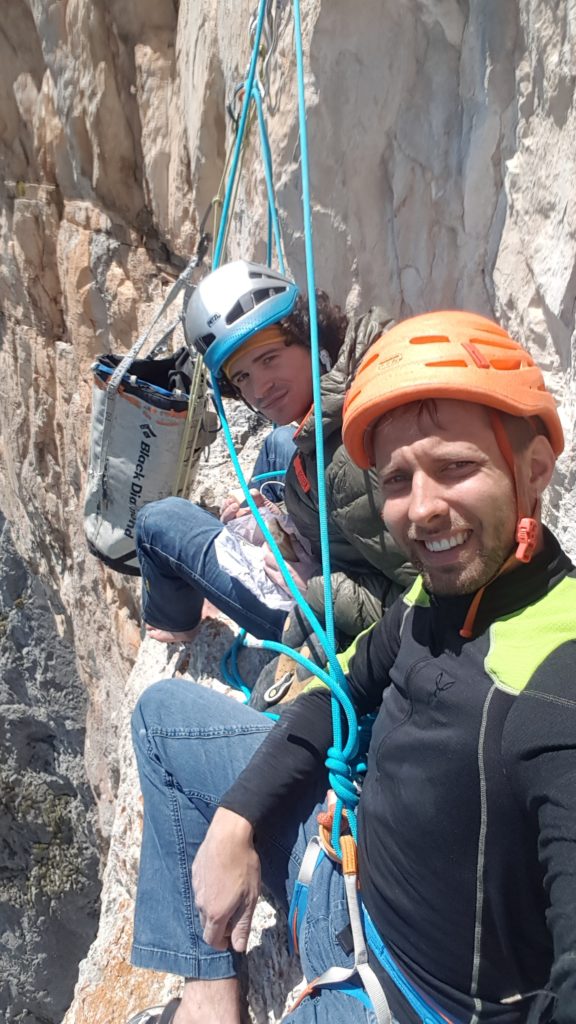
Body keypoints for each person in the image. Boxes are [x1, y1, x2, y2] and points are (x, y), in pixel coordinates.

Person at [127, 309, 576, 1024]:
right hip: (340, 864)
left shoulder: (558, 683)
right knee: (161, 718)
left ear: (535, 469)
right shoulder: (441, 592)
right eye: (397, 479)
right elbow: (343, 688)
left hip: (394, 1001)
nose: (421, 510)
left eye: (456, 467)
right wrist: (235, 822)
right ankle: (209, 992)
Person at [135, 260, 412, 673]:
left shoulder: (347, 463)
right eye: (242, 376)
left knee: (158, 522)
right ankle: (263, 519)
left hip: (334, 624)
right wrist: (275, 514)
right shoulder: (356, 379)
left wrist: (315, 587)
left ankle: (178, 624)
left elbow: (423, 600)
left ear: (306, 335)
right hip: (337, 561)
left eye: (269, 359)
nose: (259, 390)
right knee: (280, 442)